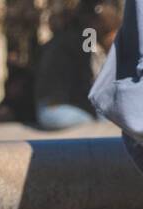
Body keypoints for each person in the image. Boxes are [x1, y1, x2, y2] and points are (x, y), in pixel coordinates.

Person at [34, 0, 121, 130]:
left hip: (49, 107)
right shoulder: (87, 38)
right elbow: (86, 81)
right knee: (103, 118)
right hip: (57, 109)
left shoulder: (65, 37)